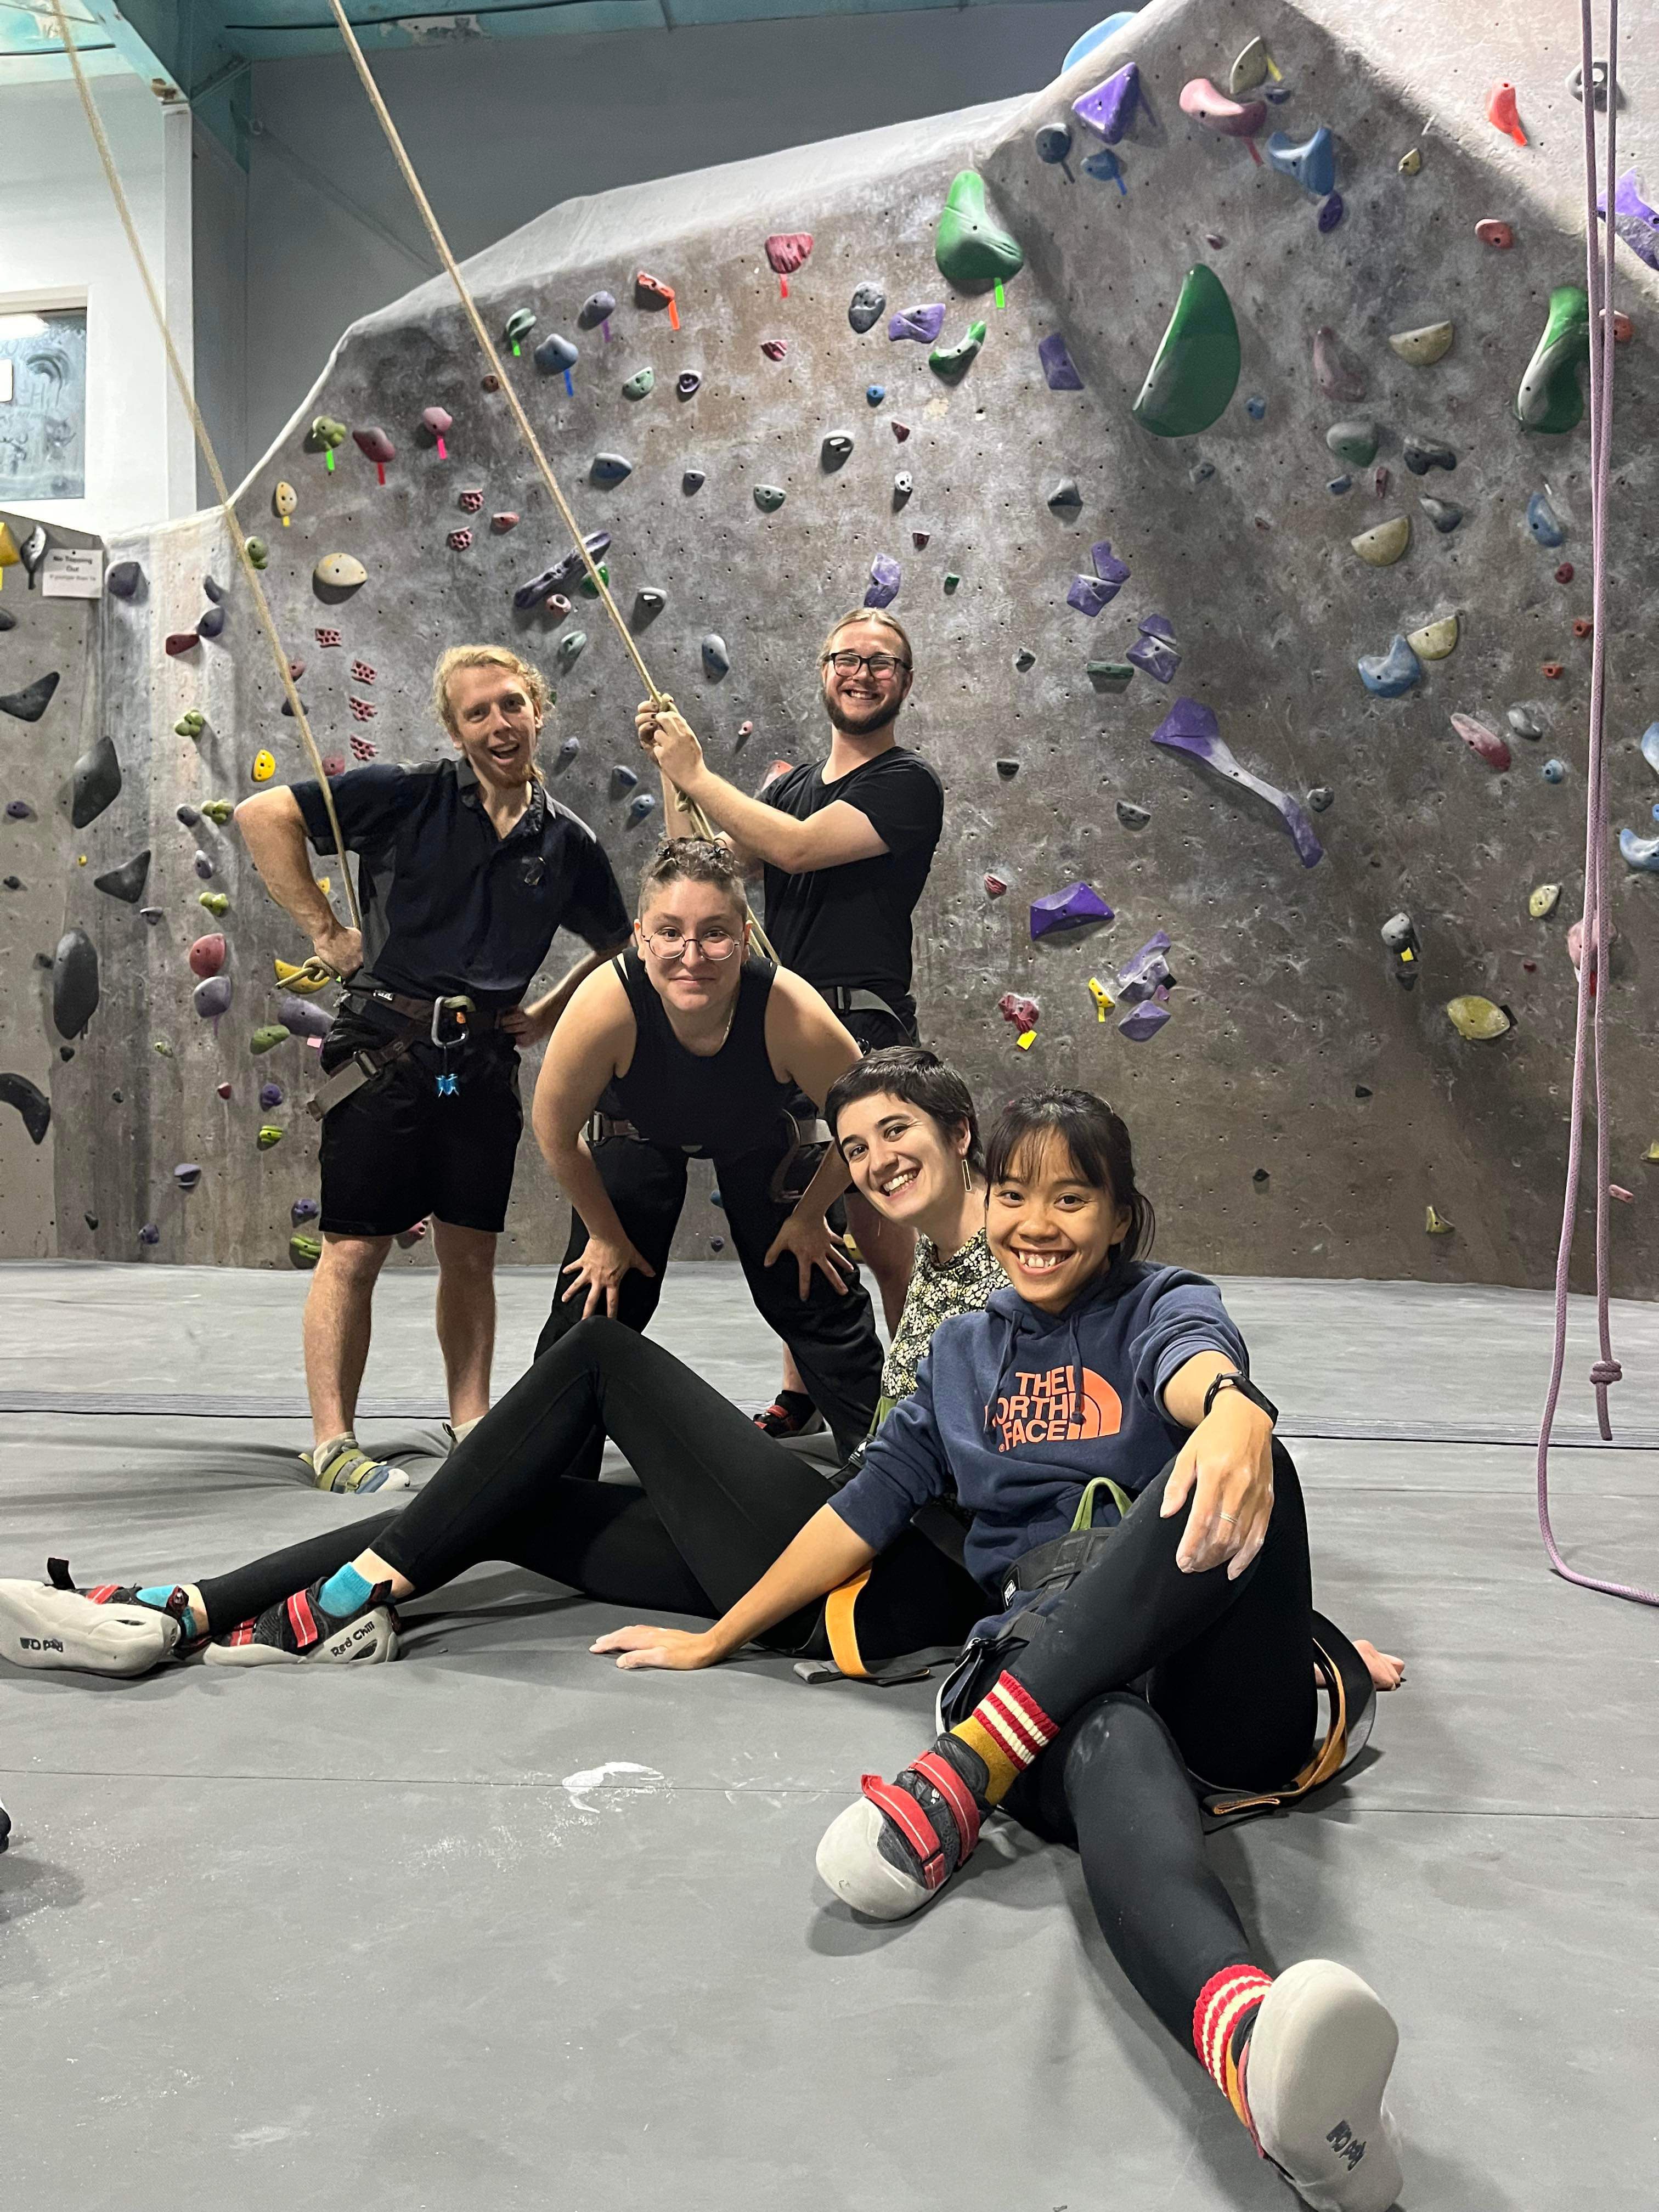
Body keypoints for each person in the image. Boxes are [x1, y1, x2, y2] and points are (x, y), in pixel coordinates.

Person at [592, 1088, 1407, 2212]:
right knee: (1114, 1742)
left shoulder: (1162, 1305)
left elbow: (1199, 1361)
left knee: (1231, 1457)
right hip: (1066, 1667)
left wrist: (1231, 1408)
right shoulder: (962, 1357)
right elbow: (862, 1509)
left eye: (1074, 1198)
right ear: (988, 1204)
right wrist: (719, 1636)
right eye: (1016, 1194)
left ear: (1122, 1216)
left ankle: (969, 1767)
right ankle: (1265, 2062)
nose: (1038, 1222)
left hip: (1208, 1684)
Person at [0, 1049, 1000, 1675]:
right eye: (856, 1146)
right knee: (503, 1497)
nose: (872, 1162)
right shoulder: (944, 1257)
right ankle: (187, 1610)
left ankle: (345, 1594)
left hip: (884, 1587)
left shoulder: (1010, 1262)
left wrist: (717, 1638)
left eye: (895, 1135)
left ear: (959, 1135)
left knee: (602, 1352)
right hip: (854, 1554)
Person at [234, 644, 631, 1495]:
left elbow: (620, 946)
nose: (499, 724)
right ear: (455, 729)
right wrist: (323, 930)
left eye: (512, 705)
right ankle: (334, 1441)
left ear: (539, 711)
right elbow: (265, 815)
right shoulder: (407, 796)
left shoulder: (566, 842)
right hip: (386, 1052)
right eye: (478, 712)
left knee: (471, 1252)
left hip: (481, 1065)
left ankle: (473, 1425)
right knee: (353, 1250)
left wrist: (550, 1009)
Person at [637, 607, 943, 1440]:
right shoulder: (790, 787)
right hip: (784, 1028)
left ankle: (919, 1391)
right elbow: (702, 868)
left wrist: (701, 776)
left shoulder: (905, 783)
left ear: (904, 684)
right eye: (848, 658)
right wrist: (673, 771)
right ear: (824, 672)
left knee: (878, 1222)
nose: (863, 672)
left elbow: (801, 849)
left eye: (883, 662)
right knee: (795, 1209)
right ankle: (806, 1383)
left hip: (864, 1022)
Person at [528, 836, 885, 1454]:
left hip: (762, 1132)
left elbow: (868, 1124)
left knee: (812, 1283)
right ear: (642, 938)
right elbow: (555, 1133)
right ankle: (547, 1475)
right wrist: (605, 1237)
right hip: (634, 1133)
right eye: (670, 933)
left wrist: (807, 1217)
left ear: (744, 937)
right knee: (598, 1295)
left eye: (714, 934)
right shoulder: (605, 1005)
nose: (691, 956)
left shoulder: (789, 1010)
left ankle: (886, 1465)